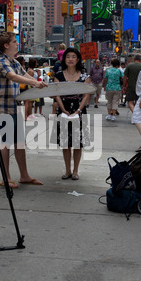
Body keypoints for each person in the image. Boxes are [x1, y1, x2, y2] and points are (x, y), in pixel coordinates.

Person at [0, 32, 47, 188]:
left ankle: (24, 175)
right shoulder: (2, 62)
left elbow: (24, 75)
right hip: (3, 108)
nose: (17, 44)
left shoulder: (15, 62)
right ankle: (6, 177)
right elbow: (14, 77)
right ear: (6, 45)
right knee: (5, 143)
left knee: (19, 143)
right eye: (14, 42)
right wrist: (35, 83)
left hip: (15, 106)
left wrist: (38, 83)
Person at [54, 47, 91, 181]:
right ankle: (67, 170)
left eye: (73, 56)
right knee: (65, 143)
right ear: (64, 59)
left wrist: (79, 110)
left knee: (77, 143)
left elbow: (86, 96)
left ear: (78, 59)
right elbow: (56, 94)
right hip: (63, 110)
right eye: (68, 56)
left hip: (79, 110)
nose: (70, 59)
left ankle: (75, 170)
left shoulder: (84, 76)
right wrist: (62, 108)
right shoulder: (58, 75)